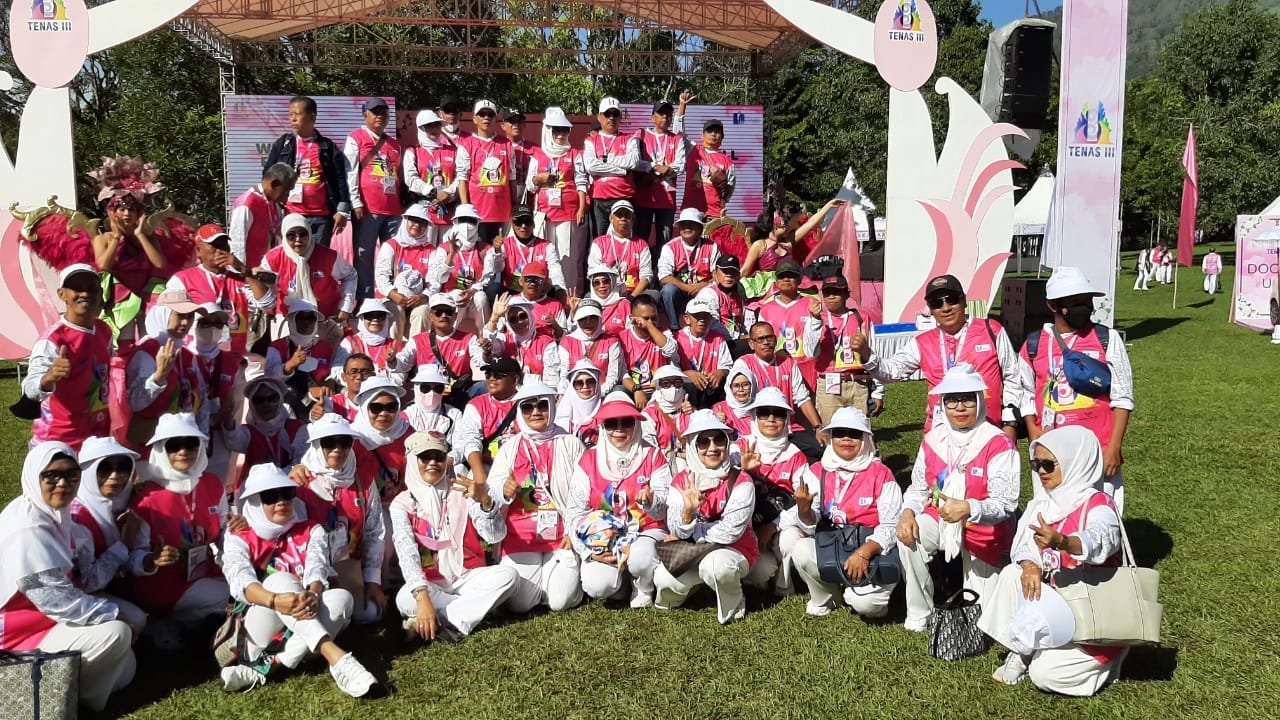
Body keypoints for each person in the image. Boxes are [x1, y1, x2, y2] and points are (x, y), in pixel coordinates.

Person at [979, 426, 1128, 695]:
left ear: (1075, 462)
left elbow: (1103, 539)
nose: (1041, 471)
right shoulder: (1043, 503)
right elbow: (1024, 546)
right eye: (1036, 465)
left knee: (1045, 676)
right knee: (1013, 574)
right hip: (1060, 602)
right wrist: (1029, 564)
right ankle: (1025, 649)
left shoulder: (1098, 504)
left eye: (1049, 464)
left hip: (1094, 611)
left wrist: (1063, 542)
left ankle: (1110, 654)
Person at [218, 464, 379, 698]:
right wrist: (276, 601)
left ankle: (270, 666)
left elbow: (317, 567)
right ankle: (336, 657)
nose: (281, 502)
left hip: (302, 621)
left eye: (287, 494)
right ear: (254, 501)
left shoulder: (312, 529)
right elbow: (240, 581)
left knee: (341, 598)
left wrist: (313, 593)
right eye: (270, 496)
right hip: (261, 625)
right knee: (279, 579)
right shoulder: (238, 536)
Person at [0, 443, 137, 711]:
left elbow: (85, 581)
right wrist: (115, 614)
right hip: (16, 638)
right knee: (117, 634)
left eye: (71, 475)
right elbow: (58, 602)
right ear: (34, 476)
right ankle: (76, 701)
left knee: (125, 665)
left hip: (46, 621)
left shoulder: (60, 519)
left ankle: (65, 682)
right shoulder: (28, 531)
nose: (62, 483)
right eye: (51, 476)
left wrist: (123, 547)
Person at [895, 364, 1019, 632]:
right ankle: (919, 612)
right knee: (908, 536)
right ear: (942, 404)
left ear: (979, 401)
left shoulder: (997, 442)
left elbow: (1006, 503)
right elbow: (918, 488)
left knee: (982, 621)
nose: (960, 407)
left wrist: (969, 508)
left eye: (967, 399)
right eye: (952, 400)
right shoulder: (933, 439)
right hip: (940, 518)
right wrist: (907, 513)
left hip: (984, 529)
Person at [1019, 267, 1134, 512]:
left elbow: (1123, 396)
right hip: (1051, 452)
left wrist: (1114, 447)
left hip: (1097, 448)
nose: (1084, 307)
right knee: (1051, 514)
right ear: (1053, 305)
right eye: (1075, 302)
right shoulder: (1033, 345)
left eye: (1087, 300)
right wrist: (1033, 430)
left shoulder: (1107, 339)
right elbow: (1025, 393)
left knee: (1099, 512)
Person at [856, 274, 1021, 437]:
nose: (946, 308)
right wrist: (866, 353)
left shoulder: (991, 330)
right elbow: (891, 372)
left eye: (951, 299)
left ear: (963, 300)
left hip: (987, 429)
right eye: (937, 303)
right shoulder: (923, 342)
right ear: (930, 309)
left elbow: (1012, 376)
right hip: (940, 433)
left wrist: (1010, 422)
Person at [392, 433, 519, 642]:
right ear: (413, 461)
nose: (433, 463)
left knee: (509, 576)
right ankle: (473, 609)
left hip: (467, 576)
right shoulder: (402, 504)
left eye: (439, 457)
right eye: (425, 457)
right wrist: (422, 597)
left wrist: (485, 502)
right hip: (431, 583)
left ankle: (442, 620)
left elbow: (494, 535)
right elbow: (407, 554)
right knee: (405, 597)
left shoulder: (462, 490)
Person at [476, 380, 585, 613]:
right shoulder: (510, 448)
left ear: (552, 407)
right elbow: (492, 493)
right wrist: (504, 492)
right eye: (527, 407)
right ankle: (546, 578)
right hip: (521, 536)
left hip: (562, 534)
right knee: (520, 604)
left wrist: (573, 531)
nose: (535, 412)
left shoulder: (571, 443)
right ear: (519, 411)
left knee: (560, 602)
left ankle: (562, 577)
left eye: (542, 405)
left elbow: (584, 493)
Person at [789, 408, 901, 618]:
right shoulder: (818, 471)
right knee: (801, 549)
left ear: (865, 439)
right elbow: (810, 524)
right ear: (831, 438)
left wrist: (864, 553)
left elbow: (891, 524)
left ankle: (860, 591)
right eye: (839, 433)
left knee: (867, 606)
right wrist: (804, 510)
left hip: (871, 546)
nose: (847, 439)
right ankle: (828, 597)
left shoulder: (881, 473)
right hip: (834, 542)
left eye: (854, 434)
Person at [128, 413, 230, 642]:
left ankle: (184, 627)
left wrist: (236, 532)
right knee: (231, 594)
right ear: (161, 450)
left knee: (246, 583)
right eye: (174, 445)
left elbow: (223, 528)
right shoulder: (146, 498)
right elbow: (132, 557)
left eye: (191, 444)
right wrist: (151, 560)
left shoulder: (212, 483)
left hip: (205, 572)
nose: (183, 451)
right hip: (163, 584)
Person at [565, 396, 670, 606]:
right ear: (603, 427)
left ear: (637, 424)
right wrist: (590, 552)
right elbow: (575, 512)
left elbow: (666, 509)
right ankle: (621, 585)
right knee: (597, 585)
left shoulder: (653, 455)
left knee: (640, 557)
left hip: (646, 530)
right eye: (612, 423)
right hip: (606, 536)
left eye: (627, 422)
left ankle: (643, 586)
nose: (619, 430)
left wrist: (651, 501)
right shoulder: (588, 460)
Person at [654, 411, 757, 624]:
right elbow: (675, 527)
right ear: (693, 446)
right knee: (663, 579)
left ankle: (734, 603)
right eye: (703, 441)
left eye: (719, 440)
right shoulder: (681, 481)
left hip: (734, 549)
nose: (712, 448)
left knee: (716, 565)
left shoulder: (741, 480)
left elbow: (729, 533)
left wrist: (692, 532)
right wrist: (687, 513)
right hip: (694, 550)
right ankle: (695, 589)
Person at [291, 414, 387, 625]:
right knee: (335, 612)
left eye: (344, 442)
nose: (337, 449)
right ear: (317, 445)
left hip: (348, 569)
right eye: (329, 442)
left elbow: (375, 531)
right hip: (308, 571)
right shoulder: (298, 482)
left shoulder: (364, 481)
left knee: (371, 613)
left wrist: (372, 581)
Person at [735, 387, 818, 595]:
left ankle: (784, 585)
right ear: (755, 417)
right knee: (760, 572)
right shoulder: (740, 448)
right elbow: (722, 494)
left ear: (786, 419)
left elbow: (804, 502)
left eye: (779, 413)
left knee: (791, 541)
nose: (771, 419)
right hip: (745, 526)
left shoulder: (796, 455)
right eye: (764, 413)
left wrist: (773, 526)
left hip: (780, 524)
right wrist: (744, 473)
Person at [23, 264, 112, 450]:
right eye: (77, 288)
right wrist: (49, 377)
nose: (85, 293)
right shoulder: (53, 339)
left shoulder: (104, 330)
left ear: (100, 293)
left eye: (92, 288)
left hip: (96, 439)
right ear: (62, 294)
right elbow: (30, 390)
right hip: (58, 442)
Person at [71, 437, 154, 631]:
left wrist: (150, 560)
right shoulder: (76, 518)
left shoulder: (129, 502)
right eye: (105, 469)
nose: (115, 476)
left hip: (114, 586)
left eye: (123, 468)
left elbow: (136, 553)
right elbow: (86, 583)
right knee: (135, 619)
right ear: (87, 472)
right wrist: (123, 545)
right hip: (78, 598)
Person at [168, 223, 275, 355]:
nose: (220, 251)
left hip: (233, 356)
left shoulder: (240, 279)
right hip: (195, 354)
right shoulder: (182, 279)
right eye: (214, 245)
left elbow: (268, 304)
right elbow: (170, 319)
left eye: (223, 245)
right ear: (198, 251)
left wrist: (243, 269)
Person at [729, 321, 826, 461]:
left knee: (823, 448)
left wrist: (818, 427)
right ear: (751, 344)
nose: (766, 342)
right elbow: (738, 402)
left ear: (775, 340)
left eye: (769, 338)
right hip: (760, 431)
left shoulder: (788, 363)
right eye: (760, 339)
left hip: (788, 429)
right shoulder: (744, 364)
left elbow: (802, 398)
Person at [266, 95, 352, 247]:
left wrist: (342, 210)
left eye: (297, 114)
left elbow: (340, 179)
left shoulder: (327, 147)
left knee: (319, 256)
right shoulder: (283, 144)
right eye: (290, 114)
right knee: (292, 256)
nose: (293, 119)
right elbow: (268, 175)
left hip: (321, 216)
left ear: (312, 117)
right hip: (291, 213)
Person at [126, 289, 208, 444]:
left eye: (190, 316)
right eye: (180, 315)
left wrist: (203, 440)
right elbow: (133, 403)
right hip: (150, 446)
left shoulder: (187, 356)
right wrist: (158, 377)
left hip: (183, 443)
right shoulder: (146, 352)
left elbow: (202, 400)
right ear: (162, 315)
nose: (186, 323)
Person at [344, 97, 404, 300]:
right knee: (364, 256)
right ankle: (365, 301)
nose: (380, 116)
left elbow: (398, 176)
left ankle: (393, 299)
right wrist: (355, 202)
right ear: (365, 115)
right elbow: (350, 172)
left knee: (394, 256)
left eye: (383, 113)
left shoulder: (394, 144)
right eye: (375, 112)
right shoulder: (356, 137)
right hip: (368, 208)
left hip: (393, 210)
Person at [526, 106, 588, 289]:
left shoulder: (574, 154)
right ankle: (543, 293)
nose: (561, 135)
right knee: (543, 256)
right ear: (548, 130)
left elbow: (581, 182)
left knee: (567, 257)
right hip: (543, 214)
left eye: (564, 130)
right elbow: (530, 186)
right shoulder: (537, 155)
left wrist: (581, 208)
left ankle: (568, 295)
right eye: (556, 130)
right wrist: (539, 179)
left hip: (568, 214)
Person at [393, 293, 487, 410]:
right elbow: (402, 364)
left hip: (459, 392)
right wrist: (392, 361)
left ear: (455, 316)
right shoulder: (417, 340)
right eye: (438, 312)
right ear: (431, 316)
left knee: (484, 387)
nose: (444, 315)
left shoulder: (469, 338)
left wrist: (486, 353)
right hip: (428, 393)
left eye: (448, 312)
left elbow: (481, 361)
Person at [808, 275, 881, 424]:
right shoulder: (818, 319)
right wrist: (815, 322)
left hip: (858, 383)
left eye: (836, 292)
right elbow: (810, 352)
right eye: (827, 293)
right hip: (828, 383)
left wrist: (878, 391)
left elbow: (874, 354)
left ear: (847, 294)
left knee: (860, 429)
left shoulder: (861, 317)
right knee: (829, 430)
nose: (831, 296)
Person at [225, 366, 308, 493]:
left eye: (272, 399)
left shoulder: (297, 428)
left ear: (280, 400)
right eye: (259, 400)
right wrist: (228, 417)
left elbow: (302, 461)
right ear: (252, 404)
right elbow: (234, 439)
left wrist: (279, 477)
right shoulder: (249, 431)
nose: (266, 404)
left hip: (290, 487)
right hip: (255, 489)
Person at [260, 213, 357, 321]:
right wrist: (267, 306)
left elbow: (350, 276)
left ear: (310, 233)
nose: (298, 239)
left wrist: (345, 307)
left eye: (303, 234)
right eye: (291, 235)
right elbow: (255, 284)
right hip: (286, 317)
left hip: (325, 317)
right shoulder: (272, 258)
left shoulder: (327, 256)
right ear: (284, 235)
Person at [456, 98, 517, 244]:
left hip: (502, 213)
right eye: (482, 114)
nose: (486, 118)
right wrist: (466, 208)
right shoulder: (466, 144)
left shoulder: (507, 144)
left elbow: (512, 177)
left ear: (496, 119)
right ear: (474, 119)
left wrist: (514, 204)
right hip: (477, 212)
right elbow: (462, 179)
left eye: (490, 114)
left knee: (500, 252)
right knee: (479, 252)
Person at [455, 357, 522, 490]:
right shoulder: (476, 405)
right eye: (488, 374)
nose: (491, 379)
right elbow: (470, 441)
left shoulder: (528, 403)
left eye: (498, 375)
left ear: (515, 380)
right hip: (487, 465)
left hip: (521, 465)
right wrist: (480, 476)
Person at [753, 258, 820, 387]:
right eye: (782, 276)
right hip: (777, 370)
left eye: (791, 276)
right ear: (776, 282)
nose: (786, 279)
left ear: (799, 280)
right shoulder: (766, 309)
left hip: (806, 370)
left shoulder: (812, 304)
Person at [374, 202, 436, 336]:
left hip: (419, 299)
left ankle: (417, 347)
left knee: (423, 312)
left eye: (422, 223)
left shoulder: (431, 250)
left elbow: (434, 280)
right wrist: (392, 293)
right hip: (392, 297)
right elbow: (381, 275)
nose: (417, 225)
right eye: (413, 220)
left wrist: (424, 296)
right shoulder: (391, 245)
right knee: (394, 311)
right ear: (405, 221)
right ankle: (394, 348)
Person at [350, 377, 414, 506]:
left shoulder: (409, 435)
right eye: (376, 407)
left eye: (391, 407)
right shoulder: (349, 439)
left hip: (401, 508)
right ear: (364, 408)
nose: (384, 413)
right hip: (364, 509)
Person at [633, 99, 687, 250]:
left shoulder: (677, 139)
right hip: (644, 198)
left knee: (665, 243)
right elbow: (635, 162)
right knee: (640, 241)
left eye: (668, 114)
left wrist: (660, 170)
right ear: (653, 117)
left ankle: (661, 266)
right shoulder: (641, 135)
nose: (665, 117)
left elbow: (680, 166)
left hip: (667, 201)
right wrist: (656, 168)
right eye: (661, 113)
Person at [583, 96, 641, 236]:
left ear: (620, 117)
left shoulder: (631, 138)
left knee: (625, 239)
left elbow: (633, 162)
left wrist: (605, 159)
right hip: (599, 199)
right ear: (599, 117)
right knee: (599, 241)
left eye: (615, 114)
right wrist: (622, 171)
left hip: (624, 197)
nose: (611, 118)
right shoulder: (591, 140)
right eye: (607, 114)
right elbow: (591, 166)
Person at [266, 299, 336, 411]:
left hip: (321, 404)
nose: (306, 322)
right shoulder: (277, 346)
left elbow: (335, 371)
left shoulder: (326, 347)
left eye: (311, 318)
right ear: (291, 321)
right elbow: (268, 379)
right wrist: (289, 365)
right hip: (286, 405)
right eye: (301, 318)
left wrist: (331, 380)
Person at [403, 110, 458, 243]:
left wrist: (448, 193)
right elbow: (411, 179)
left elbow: (461, 176)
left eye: (437, 125)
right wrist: (433, 192)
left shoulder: (454, 151)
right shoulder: (413, 151)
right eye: (429, 126)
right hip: (423, 212)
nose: (434, 129)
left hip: (449, 210)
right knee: (426, 251)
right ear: (421, 129)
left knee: (448, 251)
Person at [658, 207, 719, 328]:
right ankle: (674, 327)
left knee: (713, 290)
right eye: (683, 224)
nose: (687, 227)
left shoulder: (712, 246)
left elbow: (718, 276)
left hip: (703, 291)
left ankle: (711, 327)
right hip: (680, 291)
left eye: (691, 224)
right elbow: (664, 277)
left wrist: (703, 285)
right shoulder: (669, 247)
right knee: (668, 290)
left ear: (700, 228)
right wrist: (687, 287)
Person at [485, 295, 563, 388]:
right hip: (509, 393)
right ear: (508, 322)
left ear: (530, 316)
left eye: (522, 316)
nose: (519, 322)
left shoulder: (546, 343)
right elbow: (487, 344)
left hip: (538, 392)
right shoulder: (505, 340)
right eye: (513, 319)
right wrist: (494, 317)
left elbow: (551, 382)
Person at [230, 162, 297, 270]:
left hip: (268, 271)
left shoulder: (274, 203)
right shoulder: (247, 204)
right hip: (250, 273)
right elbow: (237, 244)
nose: (288, 195)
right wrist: (243, 275)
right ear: (274, 184)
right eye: (286, 190)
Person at [619, 293, 679, 407]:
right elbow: (622, 373)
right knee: (618, 391)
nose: (650, 322)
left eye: (654, 318)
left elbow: (671, 350)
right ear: (632, 319)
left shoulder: (664, 332)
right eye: (646, 318)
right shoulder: (622, 338)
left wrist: (649, 326)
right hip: (634, 390)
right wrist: (636, 389)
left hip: (661, 389)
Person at [678, 100, 735, 218]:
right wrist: (682, 106)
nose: (713, 134)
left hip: (714, 213)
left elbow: (729, 191)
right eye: (709, 131)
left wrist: (723, 184)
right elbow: (678, 135)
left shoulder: (727, 162)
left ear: (722, 137)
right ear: (702, 135)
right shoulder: (692, 149)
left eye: (717, 132)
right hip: (691, 211)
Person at [674, 296, 732, 407]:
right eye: (697, 316)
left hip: (711, 386)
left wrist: (720, 372)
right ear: (687, 319)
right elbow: (671, 367)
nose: (702, 320)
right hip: (687, 388)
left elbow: (727, 365)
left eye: (705, 316)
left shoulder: (718, 338)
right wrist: (687, 374)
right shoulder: (677, 338)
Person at [588, 200, 653, 298]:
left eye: (627, 215)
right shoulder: (599, 243)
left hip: (634, 294)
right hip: (606, 293)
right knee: (588, 298)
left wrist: (631, 298)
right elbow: (594, 273)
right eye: (619, 215)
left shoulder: (641, 244)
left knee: (654, 295)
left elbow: (646, 276)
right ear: (611, 218)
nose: (623, 218)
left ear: (633, 219)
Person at [497, 204, 567, 293]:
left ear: (533, 224)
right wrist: (496, 253)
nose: (523, 226)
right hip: (512, 293)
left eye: (527, 221)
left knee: (557, 290)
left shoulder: (547, 246)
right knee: (493, 288)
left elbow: (556, 272)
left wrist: (560, 290)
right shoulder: (504, 245)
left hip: (539, 293)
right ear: (512, 224)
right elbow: (495, 269)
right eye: (519, 222)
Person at [558, 299, 623, 393]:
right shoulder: (567, 342)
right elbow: (564, 376)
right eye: (583, 318)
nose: (588, 323)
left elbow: (613, 375)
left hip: (603, 393)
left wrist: (597, 394)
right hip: (574, 394)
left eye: (593, 318)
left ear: (599, 319)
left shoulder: (612, 341)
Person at [334, 298, 403, 384]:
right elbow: (336, 371)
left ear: (386, 320)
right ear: (362, 319)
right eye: (369, 316)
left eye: (381, 316)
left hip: (385, 389)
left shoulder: (395, 345)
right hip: (356, 388)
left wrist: (392, 362)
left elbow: (399, 378)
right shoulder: (349, 342)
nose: (375, 319)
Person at [403, 365, 464, 451]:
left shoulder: (454, 414)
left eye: (438, 388)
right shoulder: (405, 416)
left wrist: (449, 458)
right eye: (425, 388)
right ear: (416, 389)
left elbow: (459, 446)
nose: (432, 393)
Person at [693, 255, 749, 346]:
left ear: (738, 275)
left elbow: (743, 324)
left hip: (735, 340)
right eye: (725, 271)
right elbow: (712, 325)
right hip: (714, 342)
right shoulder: (708, 293)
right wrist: (738, 336)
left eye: (732, 272)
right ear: (715, 274)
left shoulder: (738, 297)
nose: (729, 275)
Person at [641, 365, 696, 457]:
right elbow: (649, 449)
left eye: (677, 382)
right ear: (658, 386)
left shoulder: (690, 411)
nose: (673, 387)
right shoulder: (649, 415)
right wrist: (674, 454)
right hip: (661, 461)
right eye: (666, 383)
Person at [507, 260, 568, 334]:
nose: (533, 283)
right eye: (528, 279)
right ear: (521, 281)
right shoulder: (511, 302)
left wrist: (555, 325)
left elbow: (564, 336)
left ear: (545, 283)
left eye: (538, 280)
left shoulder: (555, 305)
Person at [556, 359, 604, 443]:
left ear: (597, 384)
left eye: (590, 382)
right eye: (579, 383)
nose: (585, 386)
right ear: (572, 386)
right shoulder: (562, 417)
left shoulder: (606, 411)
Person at [320, 353, 375, 422]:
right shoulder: (332, 403)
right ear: (344, 377)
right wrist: (315, 416)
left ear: (373, 375)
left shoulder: (383, 402)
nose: (359, 377)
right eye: (353, 372)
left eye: (365, 372)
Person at [581, 264, 631, 337]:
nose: (601, 285)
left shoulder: (625, 305)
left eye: (606, 281)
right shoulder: (587, 305)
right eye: (596, 283)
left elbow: (631, 334)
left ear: (613, 282)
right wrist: (573, 313)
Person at [503, 108, 536, 205]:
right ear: (503, 126)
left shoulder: (535, 149)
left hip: (527, 200)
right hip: (503, 199)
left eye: (519, 122)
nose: (516, 125)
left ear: (524, 125)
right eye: (512, 121)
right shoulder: (498, 147)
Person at [713, 367, 757, 437]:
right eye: (736, 386)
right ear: (729, 388)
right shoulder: (720, 408)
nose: (741, 389)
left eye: (745, 384)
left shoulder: (760, 408)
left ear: (753, 385)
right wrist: (715, 422)